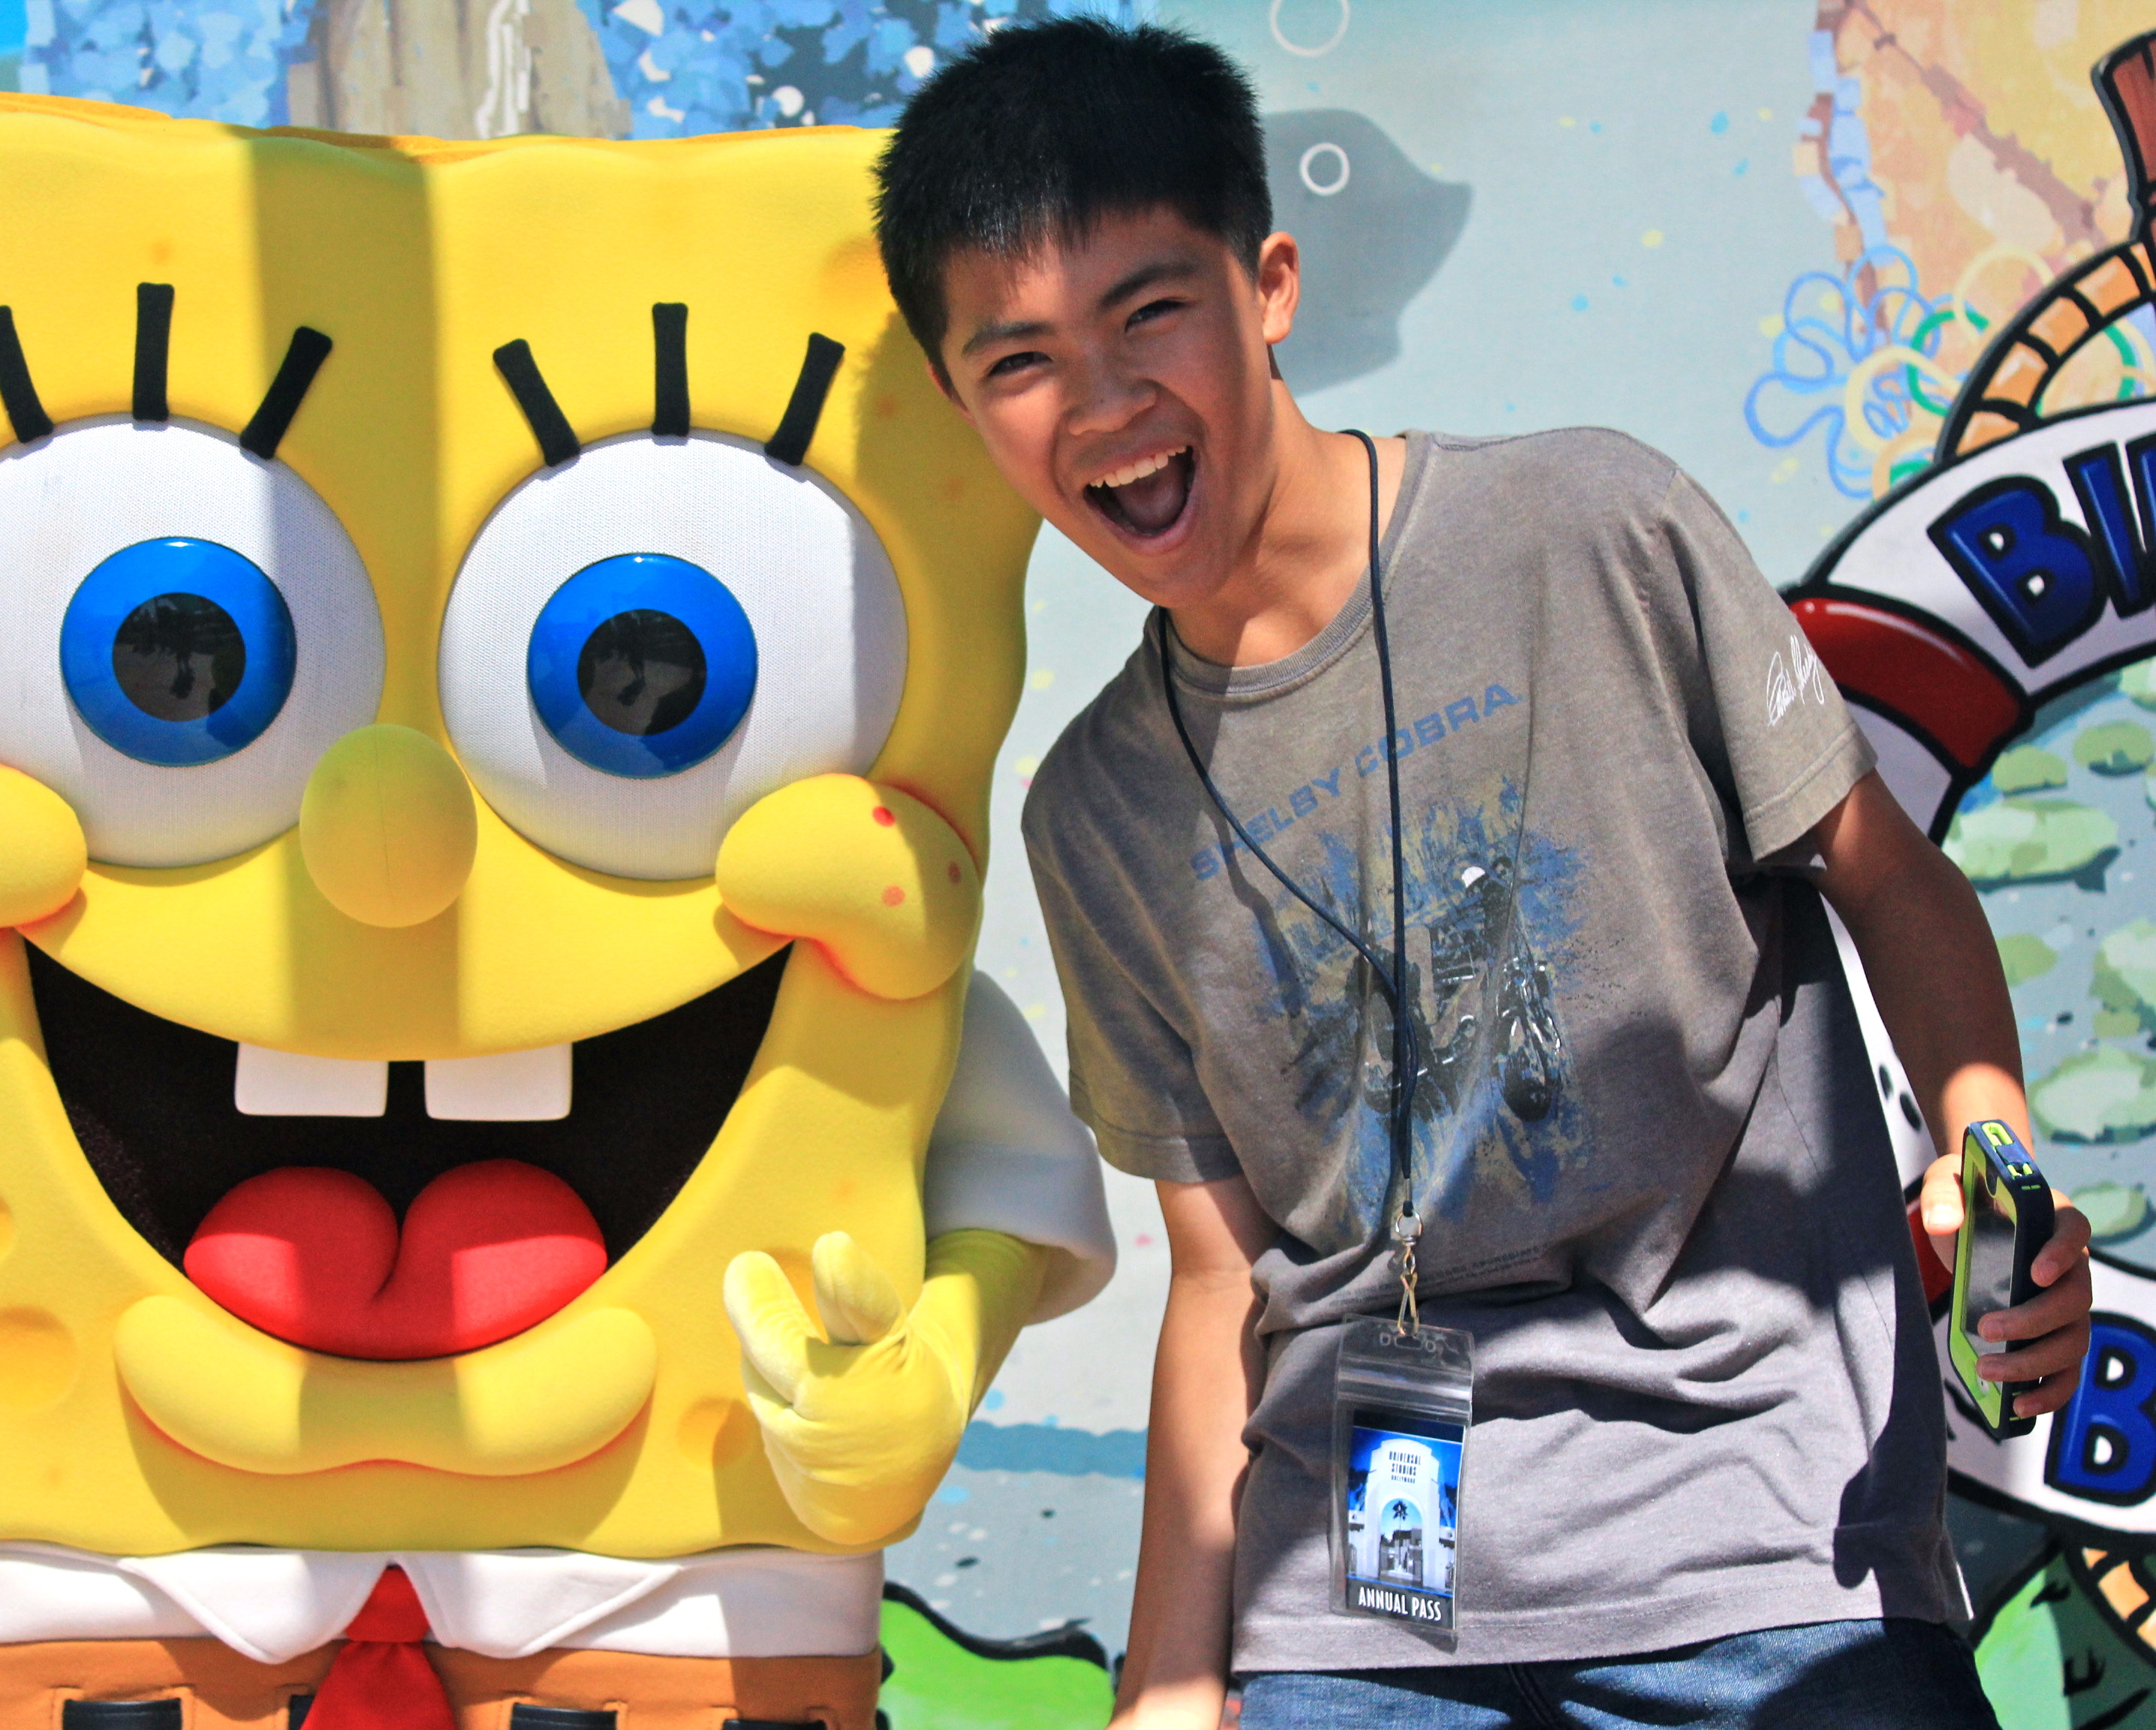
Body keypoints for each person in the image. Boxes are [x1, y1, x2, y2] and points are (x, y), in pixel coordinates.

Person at [873, 19, 2094, 1728]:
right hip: (1357, 1613)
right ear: (961, 406)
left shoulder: (1595, 530)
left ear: (1269, 287)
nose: (1102, 400)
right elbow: (1220, 1279)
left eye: (1149, 312)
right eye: (1020, 359)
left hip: (1766, 1542)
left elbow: (1887, 878)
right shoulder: (1093, 810)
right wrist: (1169, 1682)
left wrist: (1992, 1150)